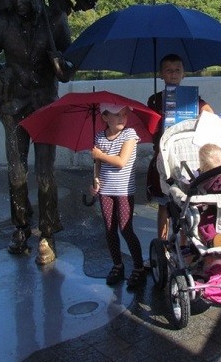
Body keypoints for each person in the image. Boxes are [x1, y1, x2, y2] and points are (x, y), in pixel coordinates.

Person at [0, 0, 75, 265]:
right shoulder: (2, 23)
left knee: (45, 174)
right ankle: (20, 227)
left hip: (45, 106)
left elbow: (69, 68)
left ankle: (48, 233)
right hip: (13, 107)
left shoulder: (54, 19)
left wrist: (61, 65)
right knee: (16, 172)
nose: (18, 0)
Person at [147, 53, 213, 241]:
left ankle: (184, 246)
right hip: (162, 158)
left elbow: (210, 113)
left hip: (186, 157)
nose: (173, 74)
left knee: (186, 204)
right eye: (168, 71)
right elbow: (150, 128)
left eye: (177, 70)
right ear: (161, 75)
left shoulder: (192, 97)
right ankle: (162, 244)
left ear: (184, 74)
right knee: (163, 204)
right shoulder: (154, 100)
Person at [90, 103, 146, 289]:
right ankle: (117, 265)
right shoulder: (99, 136)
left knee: (125, 228)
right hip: (105, 191)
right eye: (116, 115)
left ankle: (139, 267)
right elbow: (98, 164)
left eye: (124, 114)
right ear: (105, 117)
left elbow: (121, 161)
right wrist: (95, 180)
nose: (122, 118)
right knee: (109, 228)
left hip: (123, 190)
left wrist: (99, 154)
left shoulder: (129, 135)